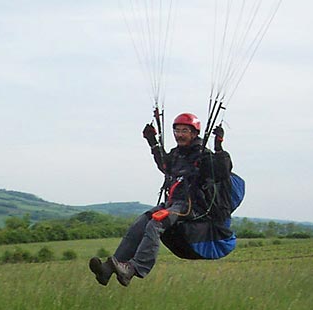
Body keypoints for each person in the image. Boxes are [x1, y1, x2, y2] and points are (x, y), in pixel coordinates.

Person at [89, 113, 236, 287]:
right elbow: (164, 165)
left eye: (184, 131)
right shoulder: (177, 155)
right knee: (140, 223)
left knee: (156, 223)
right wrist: (153, 141)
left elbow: (222, 172)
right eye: (177, 130)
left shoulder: (203, 155)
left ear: (194, 134)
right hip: (172, 204)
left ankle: (134, 268)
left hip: (192, 207)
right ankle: (108, 269)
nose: (179, 135)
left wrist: (219, 147)